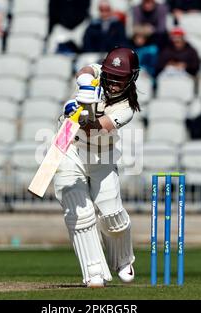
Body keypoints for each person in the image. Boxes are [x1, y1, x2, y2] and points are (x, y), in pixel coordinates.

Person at [54, 47, 140, 287]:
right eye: (110, 78)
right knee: (79, 212)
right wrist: (84, 85)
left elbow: (95, 129)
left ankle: (123, 260)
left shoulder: (127, 109)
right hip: (70, 148)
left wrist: (80, 117)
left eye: (119, 80)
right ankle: (94, 271)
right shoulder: (100, 72)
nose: (113, 84)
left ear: (132, 78)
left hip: (102, 155)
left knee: (112, 215)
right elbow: (85, 70)